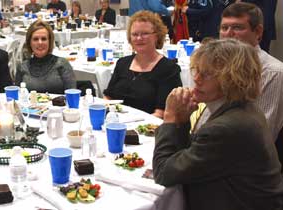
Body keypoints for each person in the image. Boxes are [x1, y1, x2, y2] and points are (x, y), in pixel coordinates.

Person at [153, 38, 283, 210]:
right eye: (196, 71)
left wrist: (170, 118)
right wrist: (183, 120)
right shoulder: (243, 108)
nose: (196, 79)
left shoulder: (228, 127)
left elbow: (164, 173)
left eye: (206, 74)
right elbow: (190, 154)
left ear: (233, 78)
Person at [218, 2, 283, 142]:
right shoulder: (216, 65)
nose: (228, 34)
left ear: (258, 32)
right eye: (224, 28)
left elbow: (263, 132)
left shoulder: (273, 72)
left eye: (237, 27)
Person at [104, 11, 182, 118]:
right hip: (115, 124)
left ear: (157, 36)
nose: (139, 38)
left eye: (145, 33)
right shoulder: (122, 63)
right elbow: (108, 97)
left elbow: (161, 113)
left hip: (147, 129)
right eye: (135, 34)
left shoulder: (169, 69)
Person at [15, 20, 75, 94]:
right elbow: (17, 98)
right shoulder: (22, 67)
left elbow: (72, 95)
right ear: (29, 42)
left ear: (50, 41)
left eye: (43, 39)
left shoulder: (62, 64)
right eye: (35, 39)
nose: (40, 42)